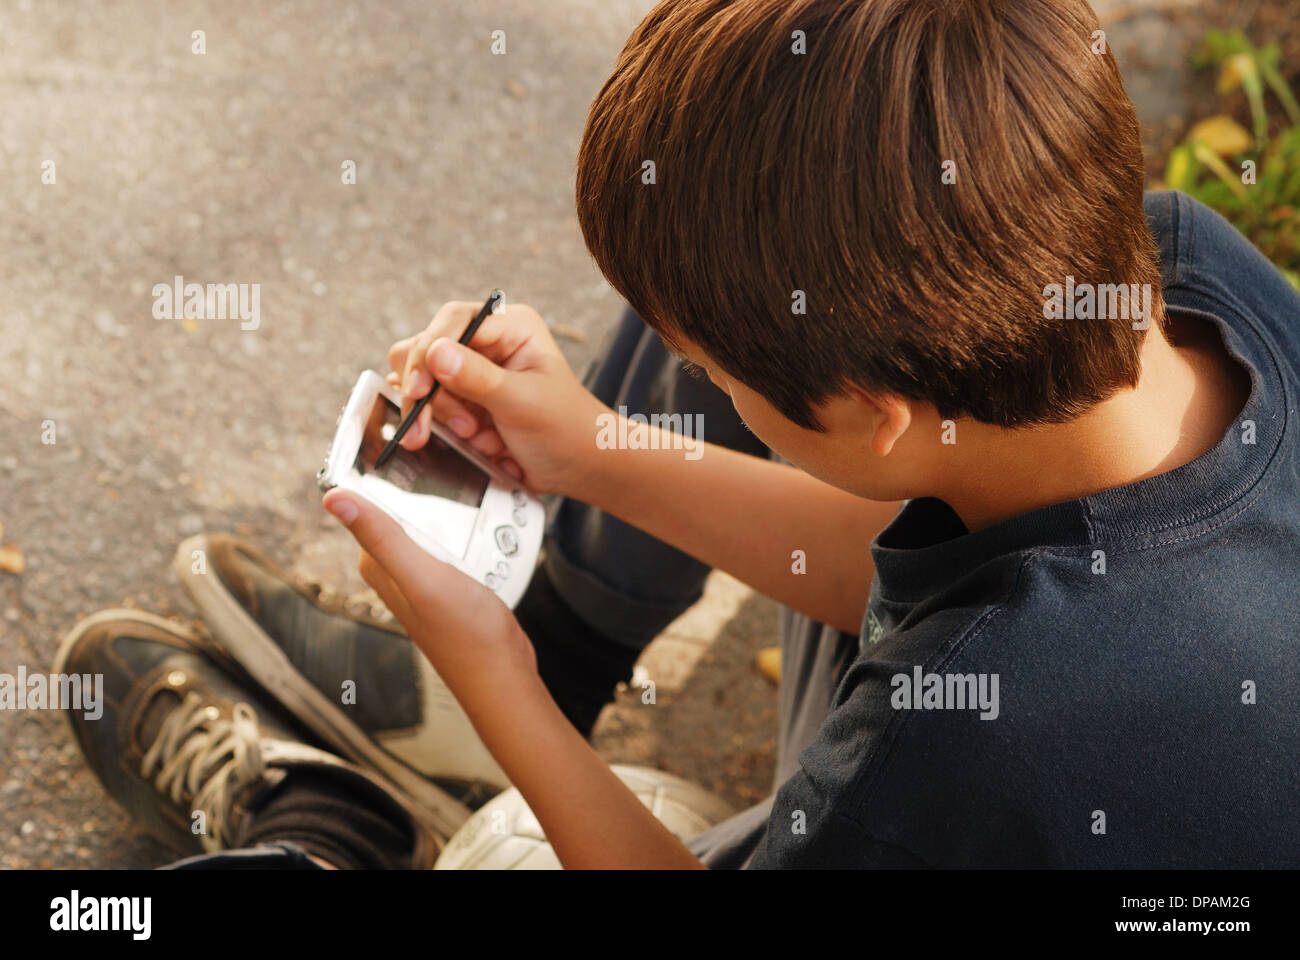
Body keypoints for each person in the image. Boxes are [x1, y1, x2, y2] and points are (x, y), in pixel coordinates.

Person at [59, 0, 1298, 868]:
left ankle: (344, 831)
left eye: (703, 374)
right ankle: (546, 664)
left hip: (952, 799)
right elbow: (924, 557)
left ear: (874, 422)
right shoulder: (1180, 267)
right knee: (754, 238)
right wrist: (593, 446)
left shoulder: (955, 744)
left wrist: (499, 682)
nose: (679, 375)